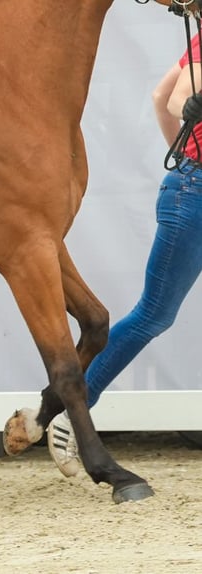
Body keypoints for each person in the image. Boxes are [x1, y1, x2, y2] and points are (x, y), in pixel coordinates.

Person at [48, 31, 202, 476]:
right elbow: (175, 99)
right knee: (154, 313)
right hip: (193, 194)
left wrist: (179, 151)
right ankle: (73, 413)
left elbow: (159, 96)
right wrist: (187, 138)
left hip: (190, 181)